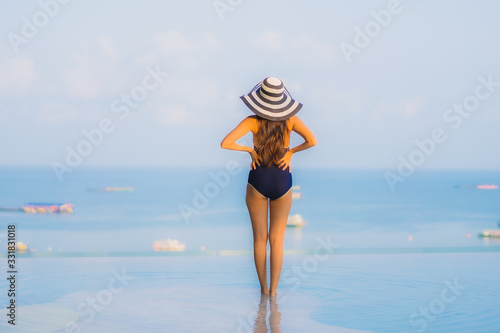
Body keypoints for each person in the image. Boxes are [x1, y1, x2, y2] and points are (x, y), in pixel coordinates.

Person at [221, 77, 317, 296]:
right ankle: (274, 292)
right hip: (283, 179)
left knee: (259, 239)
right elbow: (312, 141)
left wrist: (250, 151)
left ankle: (263, 289)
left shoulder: (251, 121)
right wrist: (291, 152)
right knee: (277, 240)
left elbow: (225, 143)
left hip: (258, 179)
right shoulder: (291, 120)